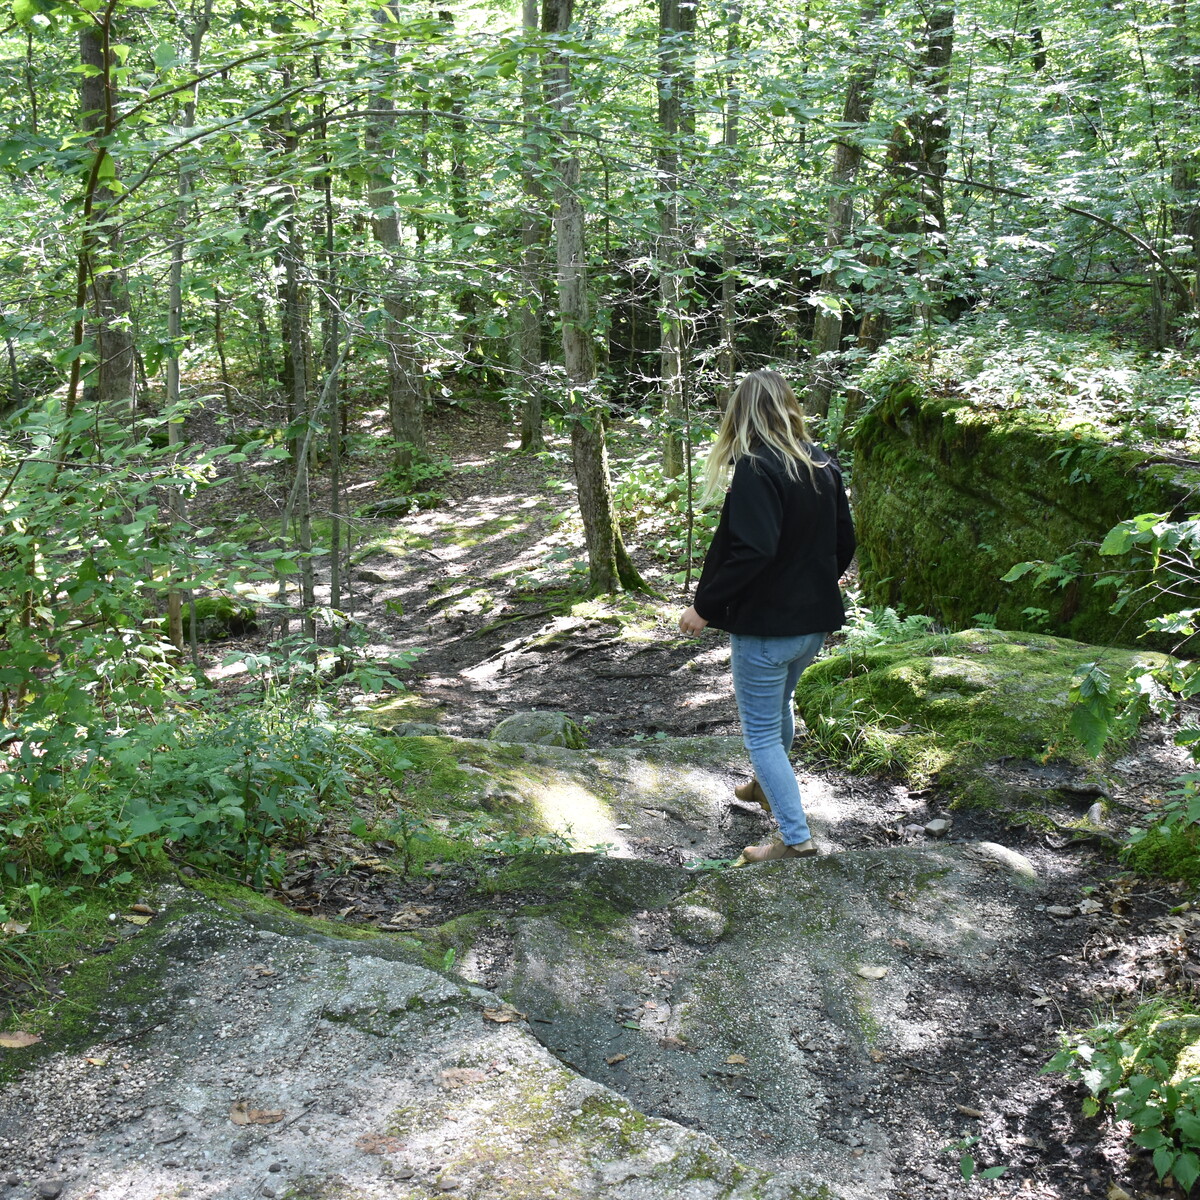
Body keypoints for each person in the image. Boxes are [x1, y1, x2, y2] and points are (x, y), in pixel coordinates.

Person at [678, 368, 855, 863]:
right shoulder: (820, 461)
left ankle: (796, 840)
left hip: (767, 629)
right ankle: (764, 786)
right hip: (812, 625)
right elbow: (845, 541)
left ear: (741, 414)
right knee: (779, 708)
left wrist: (704, 607)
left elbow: (753, 550)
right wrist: (814, 586)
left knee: (760, 733)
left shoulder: (757, 466)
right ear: (788, 406)